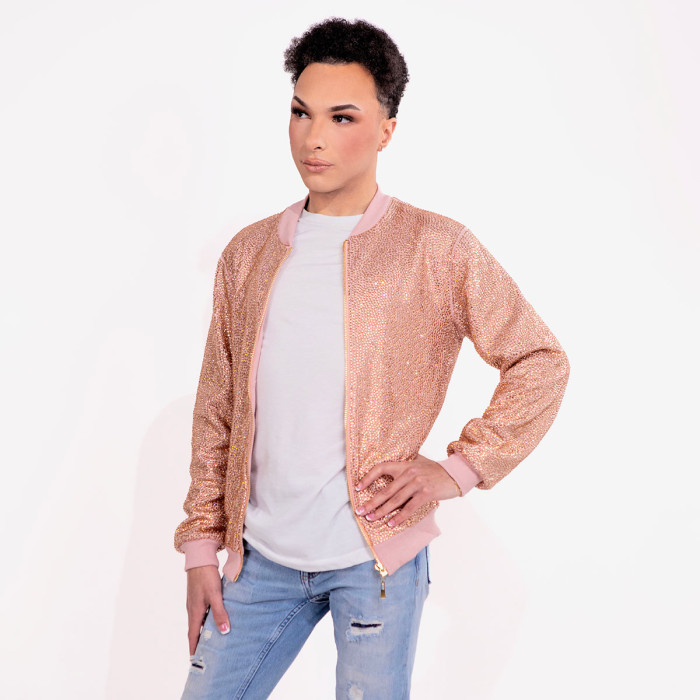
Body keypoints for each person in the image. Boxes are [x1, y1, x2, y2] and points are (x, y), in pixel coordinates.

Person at [174, 16, 569, 700]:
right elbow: (218, 407)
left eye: (342, 117)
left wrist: (460, 469)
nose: (313, 137)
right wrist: (201, 546)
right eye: (300, 112)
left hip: (373, 562)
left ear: (386, 129)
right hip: (257, 561)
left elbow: (539, 360)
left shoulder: (435, 247)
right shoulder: (249, 254)